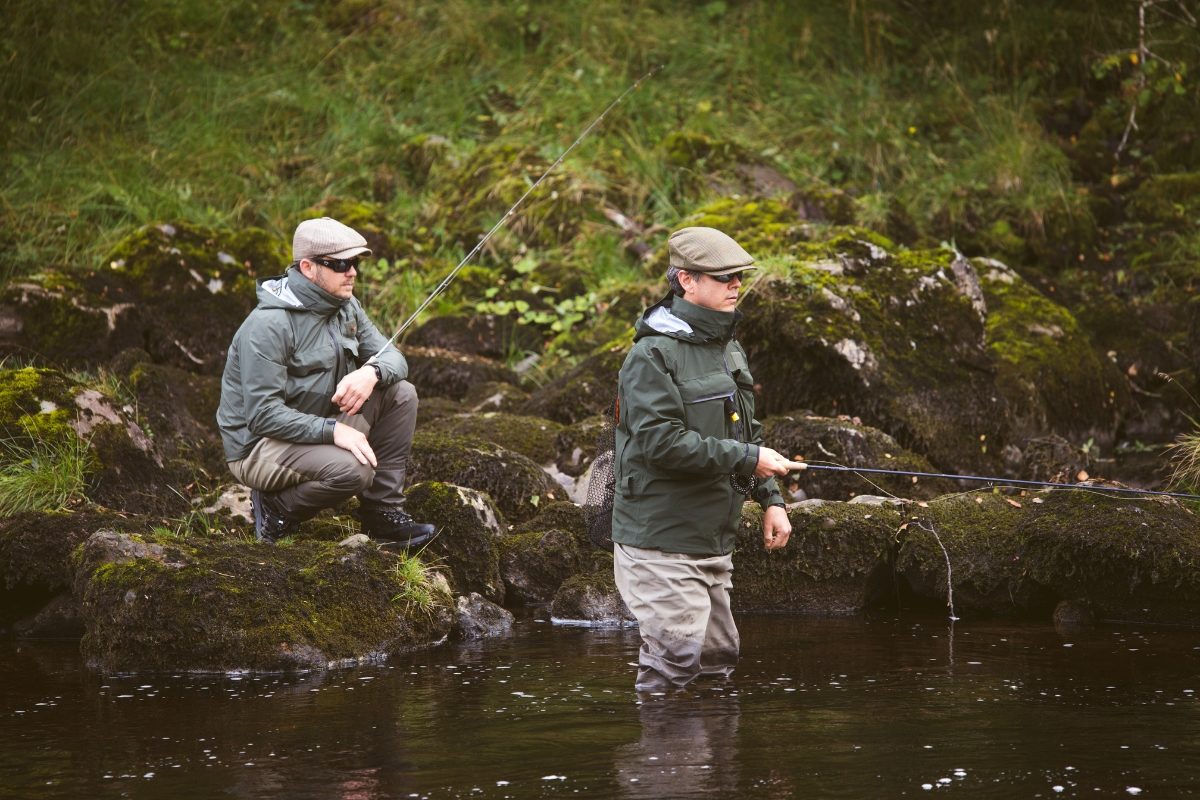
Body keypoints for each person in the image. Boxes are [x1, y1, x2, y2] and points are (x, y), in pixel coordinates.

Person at [611, 226, 800, 692]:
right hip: (660, 543)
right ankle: (665, 765)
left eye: (738, 276)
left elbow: (747, 432)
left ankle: (713, 766)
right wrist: (748, 459)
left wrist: (772, 499)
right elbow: (660, 443)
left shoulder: (728, 347)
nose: (736, 283)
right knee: (674, 665)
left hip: (713, 542)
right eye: (724, 276)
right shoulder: (651, 355)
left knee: (717, 660)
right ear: (686, 281)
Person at [217, 216, 435, 546]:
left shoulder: (347, 307)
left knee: (401, 394)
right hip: (257, 445)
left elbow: (395, 359)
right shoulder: (268, 327)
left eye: (355, 262)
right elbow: (262, 416)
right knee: (354, 471)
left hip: (316, 423)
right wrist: (335, 431)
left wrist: (370, 372)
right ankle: (276, 507)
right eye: (341, 264)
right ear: (308, 267)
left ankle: (382, 512)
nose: (353, 272)